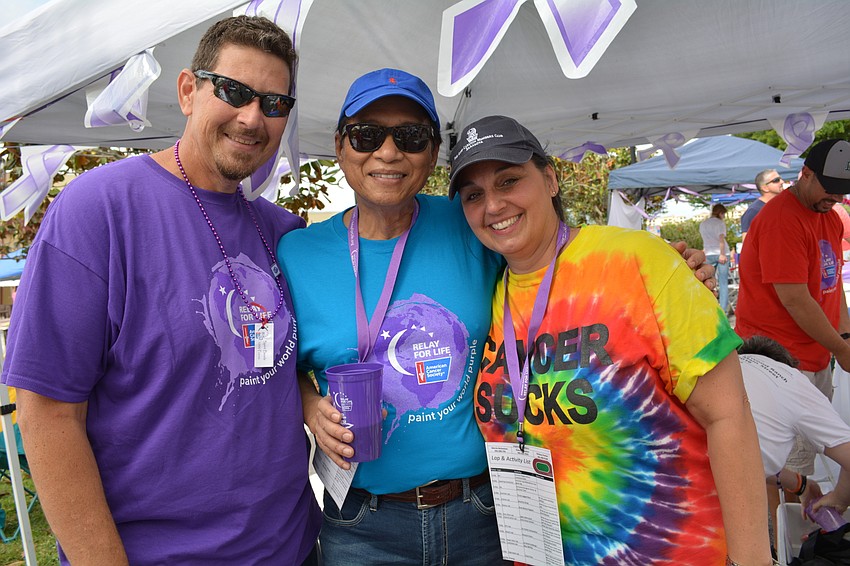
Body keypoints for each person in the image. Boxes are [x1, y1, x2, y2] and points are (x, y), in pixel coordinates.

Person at [276, 69, 716, 565]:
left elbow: (556, 258)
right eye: (367, 134)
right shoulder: (297, 253)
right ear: (340, 146)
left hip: (484, 513)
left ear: (432, 155)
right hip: (363, 525)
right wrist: (310, 404)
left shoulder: (468, 219)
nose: (389, 151)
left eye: (411, 136)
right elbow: (275, 365)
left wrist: (669, 270)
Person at [1, 16, 321, 565]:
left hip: (291, 549)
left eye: (273, 103)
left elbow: (275, 367)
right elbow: (47, 414)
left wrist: (310, 399)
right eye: (234, 91)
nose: (252, 117)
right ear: (187, 91)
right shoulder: (98, 211)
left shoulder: (283, 233)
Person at [450, 115, 773, 565]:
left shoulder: (638, 262)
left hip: (671, 550)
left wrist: (752, 560)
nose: (494, 205)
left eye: (509, 181)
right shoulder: (484, 294)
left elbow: (729, 417)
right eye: (474, 195)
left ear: (550, 178)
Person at [735, 139, 850, 481]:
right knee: (784, 468)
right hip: (779, 361)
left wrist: (844, 337)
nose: (834, 199)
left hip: (814, 357)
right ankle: (782, 531)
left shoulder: (828, 217)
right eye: (829, 189)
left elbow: (831, 287)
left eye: (842, 193)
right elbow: (795, 299)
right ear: (806, 174)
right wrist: (841, 348)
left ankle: (798, 523)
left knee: (807, 459)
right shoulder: (782, 219)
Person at [737, 336, 850, 545]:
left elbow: (745, 454)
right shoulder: (792, 379)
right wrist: (840, 498)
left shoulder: (728, 366)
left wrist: (801, 484)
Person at [700, 203, 731, 310]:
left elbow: (705, 240)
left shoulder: (703, 224)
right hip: (721, 253)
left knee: (707, 282)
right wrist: (722, 254)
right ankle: (723, 309)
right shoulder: (719, 223)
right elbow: (721, 240)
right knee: (723, 283)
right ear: (720, 213)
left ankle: (708, 307)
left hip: (708, 253)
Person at [741, 168, 784, 241]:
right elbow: (747, 243)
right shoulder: (753, 211)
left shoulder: (781, 207)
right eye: (776, 180)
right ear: (765, 188)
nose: (782, 182)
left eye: (781, 179)